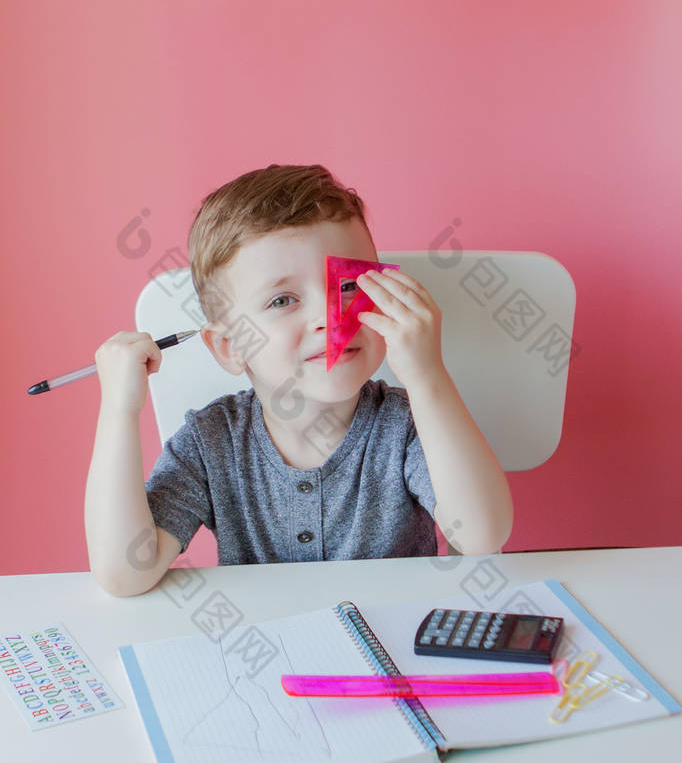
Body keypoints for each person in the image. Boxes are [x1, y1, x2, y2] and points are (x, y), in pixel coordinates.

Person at [85, 164, 513, 596]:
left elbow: (481, 536)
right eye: (284, 299)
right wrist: (119, 411)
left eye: (348, 285)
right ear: (231, 347)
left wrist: (428, 376)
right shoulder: (211, 441)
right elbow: (125, 574)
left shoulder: (406, 424)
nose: (327, 319)